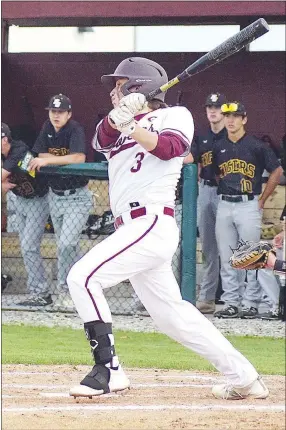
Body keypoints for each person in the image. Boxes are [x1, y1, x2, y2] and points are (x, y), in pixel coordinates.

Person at [67, 57, 269, 401]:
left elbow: (171, 148)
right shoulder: (116, 121)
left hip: (151, 223)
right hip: (130, 229)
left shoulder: (176, 115)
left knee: (82, 277)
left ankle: (108, 370)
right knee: (172, 317)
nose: (114, 91)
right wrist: (122, 120)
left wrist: (133, 126)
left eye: (120, 84)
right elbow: (101, 140)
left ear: (137, 85)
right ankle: (245, 376)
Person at [212, 102, 283, 320]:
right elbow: (215, 174)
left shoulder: (256, 145)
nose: (230, 120)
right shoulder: (218, 146)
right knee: (227, 256)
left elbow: (277, 170)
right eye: (228, 116)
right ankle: (232, 302)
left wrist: (262, 199)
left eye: (235, 116)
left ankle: (251, 302)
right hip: (224, 203)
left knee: (251, 255)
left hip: (249, 202)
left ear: (244, 119)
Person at [30, 94, 93, 309]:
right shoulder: (47, 127)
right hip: (55, 195)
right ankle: (82, 288)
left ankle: (65, 289)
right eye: (53, 111)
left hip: (76, 196)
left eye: (60, 112)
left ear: (69, 114)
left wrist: (49, 160)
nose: (56, 115)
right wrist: (50, 158)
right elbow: (39, 152)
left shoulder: (75, 129)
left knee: (66, 243)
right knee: (68, 247)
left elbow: (79, 158)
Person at [1, 122, 51, 306]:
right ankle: (36, 290)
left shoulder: (19, 149)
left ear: (4, 139)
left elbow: (4, 174)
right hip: (20, 200)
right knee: (25, 247)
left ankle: (41, 292)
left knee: (29, 246)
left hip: (38, 199)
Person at [186, 92, 227, 314]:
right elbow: (194, 162)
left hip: (228, 194)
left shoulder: (232, 134)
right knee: (209, 248)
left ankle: (234, 299)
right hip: (206, 189)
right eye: (209, 107)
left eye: (217, 107)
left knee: (231, 248)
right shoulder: (201, 135)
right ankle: (208, 297)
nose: (212, 110)